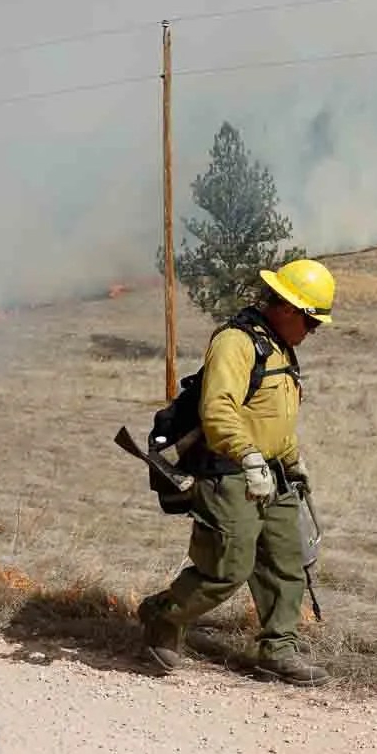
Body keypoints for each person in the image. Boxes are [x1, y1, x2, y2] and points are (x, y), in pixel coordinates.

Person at [136, 258, 335, 687]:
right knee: (226, 569)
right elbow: (218, 408)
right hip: (230, 473)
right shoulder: (235, 342)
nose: (312, 331)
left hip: (275, 476)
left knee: (286, 564)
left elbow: (275, 415)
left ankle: (279, 650)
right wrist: (247, 455)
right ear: (286, 307)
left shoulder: (281, 346)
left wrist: (292, 462)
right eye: (311, 321)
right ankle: (161, 616)